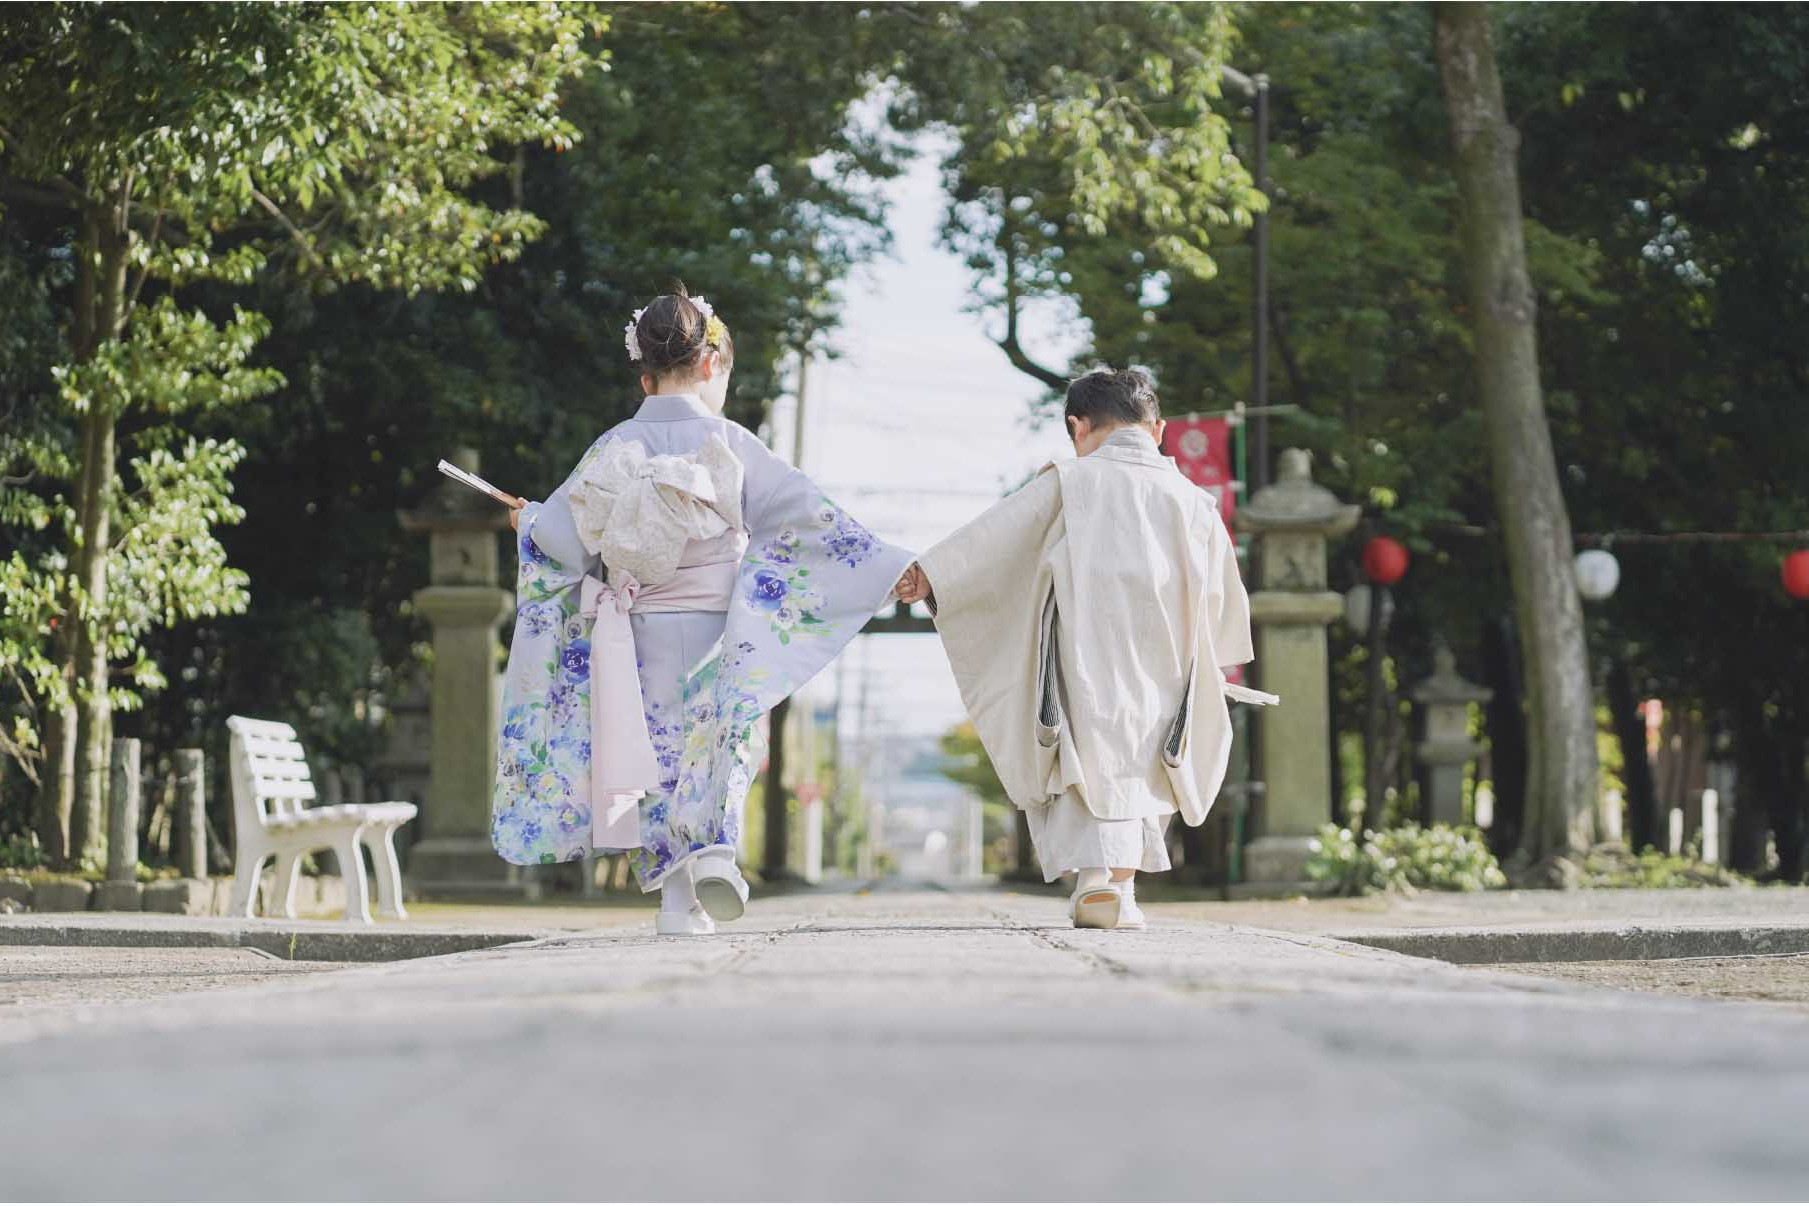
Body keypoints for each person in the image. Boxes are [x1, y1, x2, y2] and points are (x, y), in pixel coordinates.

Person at [494, 288, 915, 935]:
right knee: (722, 741)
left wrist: (528, 522)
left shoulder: (612, 445)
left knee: (652, 755)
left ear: (644, 375)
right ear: (710, 362)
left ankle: (675, 904)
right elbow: (809, 518)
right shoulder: (733, 443)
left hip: (636, 633)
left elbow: (567, 544)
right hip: (720, 630)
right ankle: (716, 851)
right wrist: (888, 567)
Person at [896, 366, 1271, 929]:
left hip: (1082, 649)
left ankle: (1094, 880)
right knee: (1153, 762)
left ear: (1078, 426)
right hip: (1167, 660)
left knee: (1082, 755)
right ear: (1159, 429)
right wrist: (1213, 659)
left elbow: (997, 537)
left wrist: (930, 576)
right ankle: (1124, 889)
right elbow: (1221, 599)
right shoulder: (1195, 501)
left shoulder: (1071, 480)